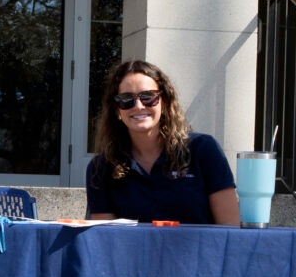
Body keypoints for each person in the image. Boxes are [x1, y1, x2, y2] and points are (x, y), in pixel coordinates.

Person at [85, 59, 239, 225]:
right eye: (126, 99)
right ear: (117, 109)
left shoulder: (203, 150)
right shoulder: (100, 168)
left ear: (164, 102)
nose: (138, 106)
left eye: (148, 97)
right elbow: (105, 241)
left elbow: (229, 231)